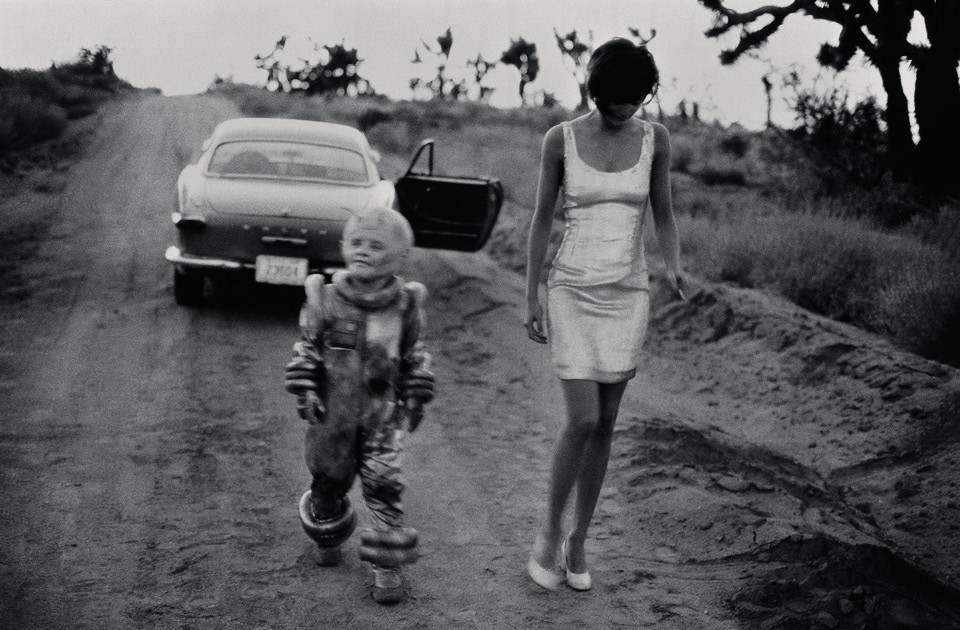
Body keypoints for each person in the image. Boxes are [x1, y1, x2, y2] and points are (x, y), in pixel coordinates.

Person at [524, 38, 685, 591]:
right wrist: (530, 295)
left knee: (607, 424)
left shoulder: (656, 139)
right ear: (597, 91)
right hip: (571, 289)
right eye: (620, 99)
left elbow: (663, 212)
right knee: (584, 419)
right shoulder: (560, 139)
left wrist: (674, 264)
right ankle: (549, 533)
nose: (628, 109)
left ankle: (579, 540)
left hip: (627, 293)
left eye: (638, 99)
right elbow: (541, 219)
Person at [284, 206, 436, 605]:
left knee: (384, 486)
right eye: (356, 243)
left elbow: (414, 354)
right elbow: (307, 349)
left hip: (382, 418)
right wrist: (306, 390)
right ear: (342, 248)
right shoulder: (326, 300)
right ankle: (327, 530)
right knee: (327, 482)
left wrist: (416, 393)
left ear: (401, 257)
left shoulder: (404, 306)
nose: (363, 251)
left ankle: (387, 567)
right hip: (331, 418)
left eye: (376, 245)